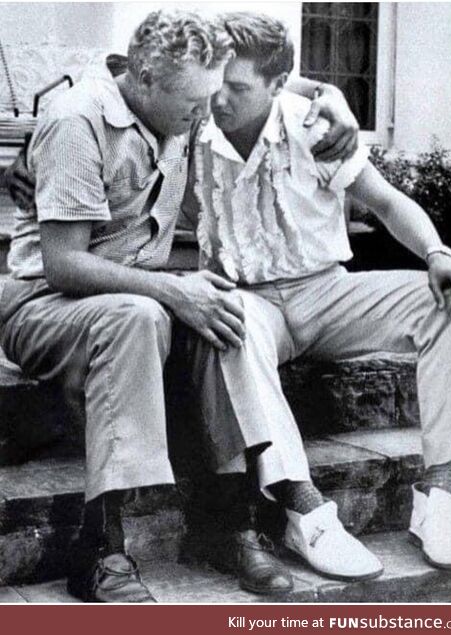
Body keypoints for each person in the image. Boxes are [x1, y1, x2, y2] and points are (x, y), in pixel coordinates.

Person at [0, 10, 360, 601]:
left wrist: (330, 95)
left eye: (213, 96)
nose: (207, 114)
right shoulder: (77, 121)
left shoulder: (176, 103)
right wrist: (172, 289)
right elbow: (63, 264)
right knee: (142, 314)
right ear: (142, 79)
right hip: (44, 304)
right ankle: (102, 549)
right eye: (195, 102)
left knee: (222, 309)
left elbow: (263, 76)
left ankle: (228, 527)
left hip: (127, 301)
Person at [176, 12, 451, 591]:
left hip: (326, 292)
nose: (221, 100)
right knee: (229, 321)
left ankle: (440, 499)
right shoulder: (196, 124)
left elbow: (387, 205)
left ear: (276, 82)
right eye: (217, 85)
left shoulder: (315, 127)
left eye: (238, 89)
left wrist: (438, 253)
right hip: (252, 300)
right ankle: (306, 512)